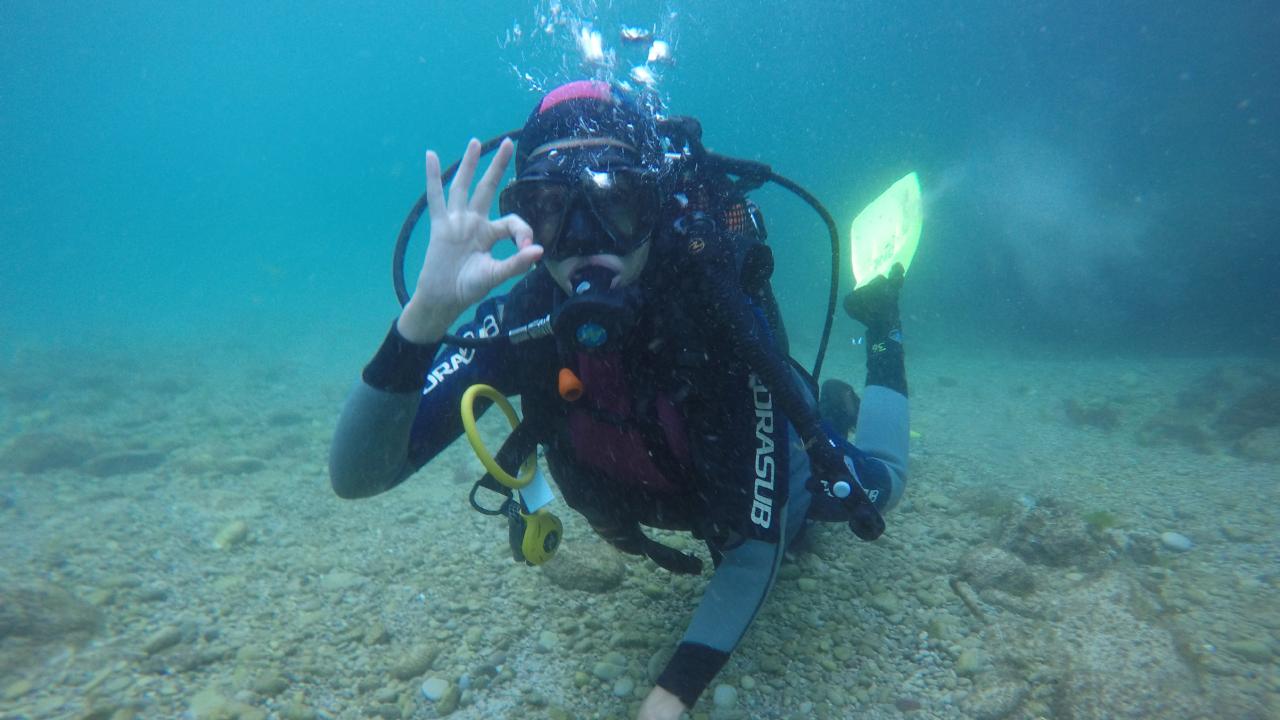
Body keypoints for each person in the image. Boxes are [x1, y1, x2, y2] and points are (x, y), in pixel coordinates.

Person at [329, 80, 909, 719]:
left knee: (881, 481)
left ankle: (882, 321)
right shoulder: (526, 323)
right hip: (666, 487)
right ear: (523, 221)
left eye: (617, 202)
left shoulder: (716, 321)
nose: (585, 240)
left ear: (656, 206)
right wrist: (424, 320)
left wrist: (669, 697)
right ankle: (833, 399)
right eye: (552, 209)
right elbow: (358, 476)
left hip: (756, 463)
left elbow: (753, 555)